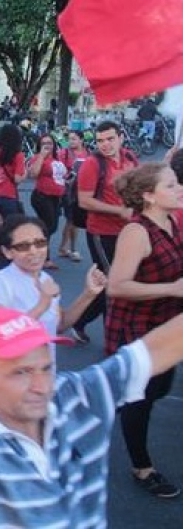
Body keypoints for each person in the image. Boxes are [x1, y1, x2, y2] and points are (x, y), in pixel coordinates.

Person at [0, 272, 183, 526]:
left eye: (46, 368)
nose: (42, 387)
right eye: (21, 372)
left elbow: (158, 349)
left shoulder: (75, 394)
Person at [106, 162, 183, 498]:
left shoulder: (171, 221)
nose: (179, 188)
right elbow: (117, 286)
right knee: (142, 399)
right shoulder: (136, 232)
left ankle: (107, 401)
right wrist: (171, 289)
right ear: (149, 196)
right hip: (137, 328)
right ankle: (142, 467)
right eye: (171, 185)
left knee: (159, 387)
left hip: (164, 325)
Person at [0, 215, 106, 356]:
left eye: (40, 243)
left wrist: (89, 293)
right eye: (23, 246)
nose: (34, 251)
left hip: (45, 371)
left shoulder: (45, 279)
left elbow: (59, 325)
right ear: (7, 252)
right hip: (15, 373)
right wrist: (42, 304)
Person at [73, 121, 139, 344]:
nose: (105, 144)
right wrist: (119, 211)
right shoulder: (92, 164)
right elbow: (84, 201)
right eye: (100, 140)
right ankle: (114, 341)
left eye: (110, 139)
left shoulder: (130, 158)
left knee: (114, 282)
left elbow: (139, 186)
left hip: (127, 232)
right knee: (113, 284)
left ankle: (79, 320)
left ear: (120, 137)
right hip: (102, 233)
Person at [26, 135, 69, 269]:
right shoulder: (37, 158)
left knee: (52, 226)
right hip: (42, 196)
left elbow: (62, 175)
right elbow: (33, 174)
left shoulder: (57, 158)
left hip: (56, 197)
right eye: (44, 143)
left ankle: (37, 247)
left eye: (49, 143)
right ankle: (44, 256)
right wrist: (41, 157)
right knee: (48, 227)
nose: (47, 145)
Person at [57, 130, 91, 262]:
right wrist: (67, 176)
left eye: (74, 139)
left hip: (81, 190)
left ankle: (63, 247)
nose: (71, 142)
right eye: (70, 139)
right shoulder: (63, 153)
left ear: (81, 140)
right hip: (67, 191)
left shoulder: (88, 154)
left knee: (71, 220)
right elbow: (58, 170)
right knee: (72, 220)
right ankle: (72, 248)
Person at [0, 124, 26, 219]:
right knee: (10, 228)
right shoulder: (18, 154)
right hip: (10, 197)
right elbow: (17, 179)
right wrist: (25, 174)